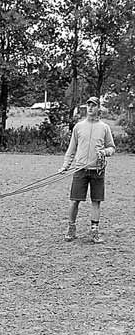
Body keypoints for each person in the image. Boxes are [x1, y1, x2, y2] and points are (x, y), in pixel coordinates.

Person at [58, 96, 116, 243]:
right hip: (80, 169)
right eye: (88, 105)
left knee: (96, 201)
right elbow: (71, 149)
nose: (90, 108)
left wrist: (105, 152)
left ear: (98, 109)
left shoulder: (104, 128)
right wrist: (65, 166)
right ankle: (71, 228)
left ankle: (94, 231)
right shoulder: (78, 127)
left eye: (94, 105)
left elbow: (112, 148)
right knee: (74, 201)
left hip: (98, 170)